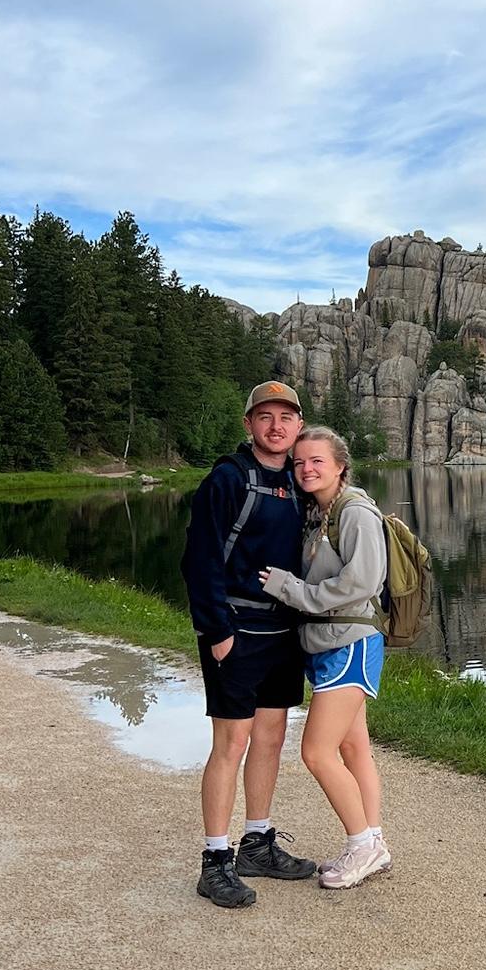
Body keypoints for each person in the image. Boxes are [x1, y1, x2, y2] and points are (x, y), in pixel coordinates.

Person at [180, 380, 318, 909]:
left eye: (286, 417)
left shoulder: (301, 482)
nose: (276, 426)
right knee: (231, 743)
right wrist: (217, 632)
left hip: (283, 634)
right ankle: (215, 860)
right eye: (265, 417)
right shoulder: (228, 479)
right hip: (235, 631)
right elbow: (199, 561)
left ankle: (257, 844)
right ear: (249, 424)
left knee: (270, 738)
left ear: (298, 425)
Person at [259, 425, 391, 890]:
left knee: (316, 752)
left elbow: (362, 582)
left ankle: (362, 846)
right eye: (299, 462)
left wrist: (291, 589)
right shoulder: (319, 512)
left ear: (340, 465)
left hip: (350, 644)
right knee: (353, 748)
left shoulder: (355, 511)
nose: (306, 469)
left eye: (317, 461)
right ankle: (374, 841)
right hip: (327, 643)